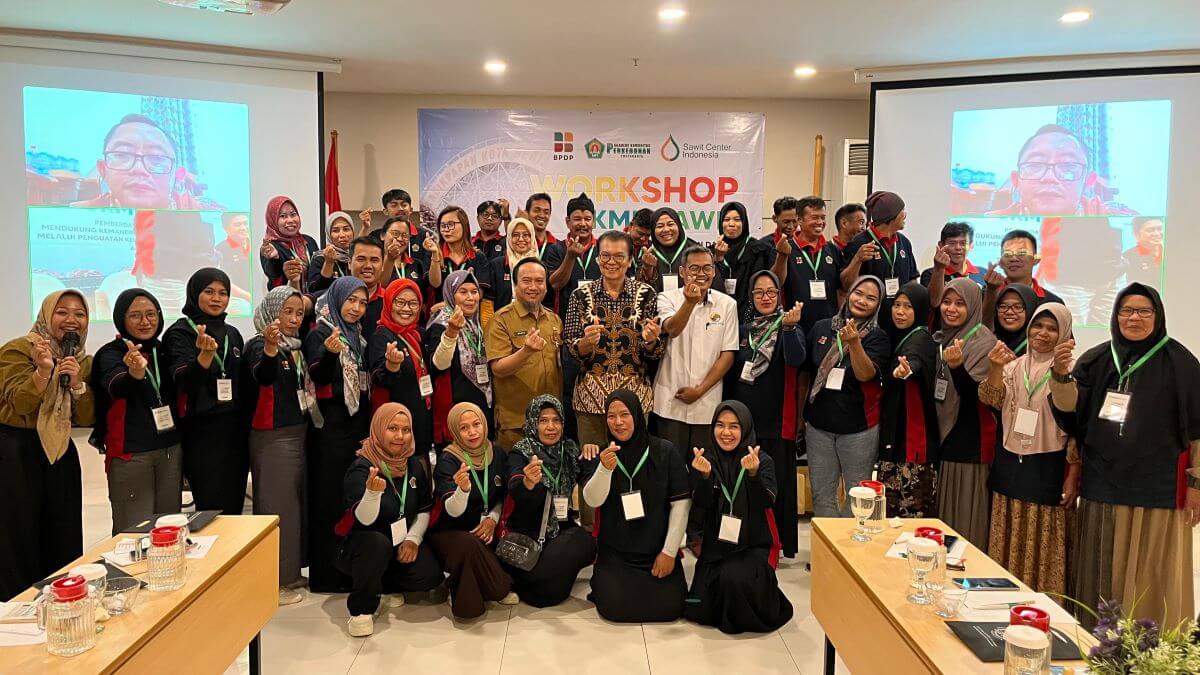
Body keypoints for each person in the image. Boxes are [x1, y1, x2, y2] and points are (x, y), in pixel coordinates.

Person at [1054, 284, 1200, 628]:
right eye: (1127, 310)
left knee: (1151, 574)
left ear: (1157, 316)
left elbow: (1198, 433)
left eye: (1143, 311)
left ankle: (1149, 644)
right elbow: (1071, 415)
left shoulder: (1181, 363)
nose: (1134, 318)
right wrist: (1060, 376)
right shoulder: (1096, 360)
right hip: (1102, 483)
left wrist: (1196, 484)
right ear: (1116, 315)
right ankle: (1097, 641)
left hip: (1158, 488)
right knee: (1102, 572)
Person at [564, 231, 666, 528]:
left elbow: (655, 350)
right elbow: (570, 347)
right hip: (590, 401)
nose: (612, 262)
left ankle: (633, 530)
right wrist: (586, 343)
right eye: (606, 256)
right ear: (597, 259)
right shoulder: (580, 295)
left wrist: (650, 340)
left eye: (619, 256)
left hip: (635, 400)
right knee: (592, 468)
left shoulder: (646, 294)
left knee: (634, 466)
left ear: (630, 260)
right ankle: (590, 534)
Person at [979, 303, 1079, 594]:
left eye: (1052, 328)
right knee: (1006, 542)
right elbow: (991, 398)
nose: (1043, 333)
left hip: (1048, 468)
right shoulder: (1013, 366)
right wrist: (995, 368)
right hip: (1010, 465)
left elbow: (1076, 427)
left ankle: (1040, 608)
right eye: (1038, 326)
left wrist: (1074, 474)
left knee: (1042, 548)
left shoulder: (1071, 371)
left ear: (1065, 334)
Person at [0, 290, 95, 599]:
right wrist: (42, 373)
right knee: (18, 534)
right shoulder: (17, 350)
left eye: (79, 314)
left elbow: (87, 417)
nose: (71, 320)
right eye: (62, 312)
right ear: (46, 315)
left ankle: (63, 598)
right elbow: (20, 404)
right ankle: (19, 604)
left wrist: (78, 384)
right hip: (16, 450)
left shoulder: (82, 360)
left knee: (63, 530)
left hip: (59, 449)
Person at [335, 403, 444, 637]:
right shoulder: (362, 468)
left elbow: (424, 508)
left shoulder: (413, 465)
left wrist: (413, 539)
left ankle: (385, 585)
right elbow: (363, 519)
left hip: (398, 541)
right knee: (377, 544)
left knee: (429, 575)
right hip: (362, 546)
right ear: (378, 429)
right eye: (392, 428)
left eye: (406, 430)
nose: (400, 436)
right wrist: (372, 494)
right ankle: (361, 610)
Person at [653, 245, 738, 544]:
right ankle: (669, 535)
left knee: (702, 472)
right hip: (669, 402)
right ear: (682, 271)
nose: (701, 274)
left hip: (707, 403)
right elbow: (671, 329)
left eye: (707, 268)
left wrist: (700, 390)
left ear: (714, 271)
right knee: (670, 470)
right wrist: (689, 303)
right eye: (694, 269)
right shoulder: (667, 298)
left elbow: (728, 354)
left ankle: (697, 532)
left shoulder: (727, 304)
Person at [582, 390, 691, 623]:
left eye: (625, 414)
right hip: (616, 554)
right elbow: (592, 500)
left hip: (656, 551)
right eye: (611, 416)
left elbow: (681, 504)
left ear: (637, 416)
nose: (618, 422)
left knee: (672, 606)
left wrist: (669, 552)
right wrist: (604, 469)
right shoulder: (601, 453)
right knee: (615, 607)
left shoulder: (665, 451)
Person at [685, 401, 793, 633]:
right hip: (717, 547)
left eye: (734, 426)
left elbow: (766, 502)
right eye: (720, 425)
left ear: (745, 428)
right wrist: (704, 478)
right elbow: (702, 506)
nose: (726, 432)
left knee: (732, 579)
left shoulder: (762, 460)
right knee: (697, 609)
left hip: (752, 545)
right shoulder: (706, 460)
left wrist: (753, 475)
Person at [724, 271, 805, 556]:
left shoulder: (790, 326)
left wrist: (790, 330)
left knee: (777, 486)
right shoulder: (742, 330)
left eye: (771, 291)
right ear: (751, 296)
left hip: (777, 422)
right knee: (745, 484)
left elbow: (796, 359)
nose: (765, 297)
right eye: (759, 292)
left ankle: (778, 544)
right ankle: (747, 541)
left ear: (780, 295)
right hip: (745, 424)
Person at [244, 286, 313, 604]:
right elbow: (263, 376)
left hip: (297, 432)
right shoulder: (260, 345)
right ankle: (276, 581)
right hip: (273, 435)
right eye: (287, 311)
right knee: (277, 507)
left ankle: (290, 572)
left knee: (293, 506)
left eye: (299, 313)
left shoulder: (294, 347)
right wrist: (271, 349)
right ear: (272, 311)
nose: (294, 319)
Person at [91, 289, 180, 535]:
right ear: (121, 319)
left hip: (170, 449)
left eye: (151, 314)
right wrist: (134, 373)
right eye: (135, 315)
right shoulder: (111, 354)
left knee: (168, 528)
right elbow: (116, 386)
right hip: (131, 453)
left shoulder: (163, 351)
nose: (145, 321)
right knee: (134, 531)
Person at [305, 275, 372, 593]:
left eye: (362, 303)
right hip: (329, 428)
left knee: (349, 498)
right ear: (336, 300)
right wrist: (330, 353)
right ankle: (326, 575)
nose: (356, 308)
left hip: (352, 426)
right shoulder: (321, 332)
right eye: (351, 300)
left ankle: (347, 568)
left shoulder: (357, 335)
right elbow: (317, 375)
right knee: (329, 500)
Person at [163, 268, 248, 516]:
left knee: (234, 504)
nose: (216, 299)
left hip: (234, 431)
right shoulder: (181, 333)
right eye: (209, 292)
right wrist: (204, 357)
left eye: (223, 293)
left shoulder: (232, 333)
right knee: (211, 508)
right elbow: (183, 382)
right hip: (201, 432)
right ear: (194, 293)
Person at [804, 276, 889, 517]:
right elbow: (806, 375)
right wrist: (802, 416)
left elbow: (866, 375)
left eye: (871, 298)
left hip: (858, 429)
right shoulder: (822, 328)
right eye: (858, 293)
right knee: (822, 495)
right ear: (848, 294)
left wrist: (854, 343)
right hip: (819, 427)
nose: (862, 301)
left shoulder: (878, 337)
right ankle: (827, 543)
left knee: (857, 497)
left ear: (878, 304)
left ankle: (852, 542)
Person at [502, 396, 597, 607]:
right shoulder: (521, 452)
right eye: (543, 420)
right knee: (551, 592)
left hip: (560, 529)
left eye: (556, 420)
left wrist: (592, 454)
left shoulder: (569, 449)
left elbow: (591, 482)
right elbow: (514, 486)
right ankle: (540, 579)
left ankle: (538, 579)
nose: (551, 427)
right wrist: (527, 482)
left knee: (586, 542)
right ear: (533, 423)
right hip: (528, 533)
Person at [429, 402, 517, 619]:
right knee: (474, 554)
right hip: (453, 532)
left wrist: (492, 520)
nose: (472, 432)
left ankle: (459, 584)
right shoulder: (448, 460)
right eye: (464, 428)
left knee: (493, 571)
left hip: (485, 531)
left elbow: (502, 497)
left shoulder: (497, 453)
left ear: (484, 424)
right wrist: (463, 490)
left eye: (476, 424)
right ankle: (473, 591)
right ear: (454, 431)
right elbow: (452, 511)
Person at [932, 278, 999, 550]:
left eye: (960, 304)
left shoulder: (985, 342)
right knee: (946, 518)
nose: (951, 309)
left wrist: (958, 367)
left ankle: (967, 568)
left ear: (973, 306)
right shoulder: (944, 337)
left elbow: (979, 397)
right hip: (946, 437)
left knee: (965, 519)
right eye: (946, 302)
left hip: (970, 440)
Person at [877, 282, 941, 518]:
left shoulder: (920, 339)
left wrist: (907, 370)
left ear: (920, 309)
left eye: (908, 307)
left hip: (913, 447)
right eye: (897, 305)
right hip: (899, 439)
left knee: (908, 517)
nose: (900, 312)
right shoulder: (902, 336)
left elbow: (915, 360)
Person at [486, 259, 562, 449]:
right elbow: (498, 369)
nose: (533, 287)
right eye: (526, 281)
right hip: (516, 423)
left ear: (546, 286)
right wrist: (526, 351)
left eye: (539, 281)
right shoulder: (500, 320)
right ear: (515, 285)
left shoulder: (554, 320)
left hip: (551, 423)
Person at [986, 124, 1137, 217]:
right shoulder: (990, 226)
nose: (1049, 177)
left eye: (1068, 166)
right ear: (1016, 180)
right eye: (1035, 165)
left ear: (1088, 181)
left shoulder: (1115, 220)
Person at [70, 113, 202, 209]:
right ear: (103, 169)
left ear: (176, 175)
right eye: (123, 154)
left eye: (157, 157)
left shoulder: (202, 214)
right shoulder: (80, 216)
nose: (139, 169)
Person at [368, 279, 434, 461]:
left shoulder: (419, 334)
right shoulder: (382, 336)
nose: (406, 308)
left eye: (413, 303)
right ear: (389, 303)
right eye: (400, 302)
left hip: (421, 422)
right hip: (396, 431)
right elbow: (379, 379)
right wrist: (392, 365)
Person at [427, 271, 494, 443]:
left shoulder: (478, 324)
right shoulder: (441, 323)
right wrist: (451, 333)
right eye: (463, 292)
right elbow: (438, 365)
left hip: (480, 405)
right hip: (455, 409)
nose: (470, 297)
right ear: (451, 294)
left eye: (474, 291)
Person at [771, 196, 840, 333]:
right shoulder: (786, 248)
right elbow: (775, 283)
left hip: (828, 326)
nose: (820, 222)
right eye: (814, 217)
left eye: (823, 217)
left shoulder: (832, 250)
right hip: (795, 326)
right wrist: (782, 256)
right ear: (799, 220)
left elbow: (841, 289)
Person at [840, 191, 918, 299]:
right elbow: (846, 286)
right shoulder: (858, 243)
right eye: (902, 210)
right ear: (891, 216)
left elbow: (912, 279)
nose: (905, 215)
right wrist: (857, 260)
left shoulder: (904, 242)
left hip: (899, 308)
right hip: (871, 308)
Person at [432, 206, 494, 316]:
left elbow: (479, 293)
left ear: (464, 225)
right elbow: (435, 284)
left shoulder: (478, 257)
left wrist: (450, 306)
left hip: (469, 317)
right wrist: (435, 255)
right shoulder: (435, 253)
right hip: (441, 316)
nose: (446, 229)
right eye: (443, 225)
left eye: (451, 224)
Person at [708, 201, 772, 306]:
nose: (731, 224)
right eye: (726, 220)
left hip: (750, 309)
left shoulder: (759, 249)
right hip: (720, 308)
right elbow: (712, 286)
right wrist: (718, 258)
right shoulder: (711, 251)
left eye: (737, 220)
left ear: (744, 223)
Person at [260, 195, 319, 291]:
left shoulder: (308, 241)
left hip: (313, 298)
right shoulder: (270, 247)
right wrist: (274, 259)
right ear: (273, 220)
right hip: (287, 299)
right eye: (283, 216)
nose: (290, 220)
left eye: (293, 214)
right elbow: (273, 278)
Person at [489, 217, 538, 310]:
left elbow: (547, 301)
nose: (521, 239)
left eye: (526, 235)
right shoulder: (497, 265)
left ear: (532, 237)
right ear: (509, 238)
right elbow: (488, 301)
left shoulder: (539, 266)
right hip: (501, 318)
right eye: (515, 235)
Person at [380, 216, 438, 291]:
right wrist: (390, 259)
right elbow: (379, 286)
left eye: (405, 235)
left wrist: (435, 253)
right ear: (382, 235)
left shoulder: (417, 264)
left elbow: (435, 284)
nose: (400, 239)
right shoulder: (375, 261)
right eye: (395, 233)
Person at [921, 222, 986, 287]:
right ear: (941, 245)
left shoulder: (983, 273)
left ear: (971, 245)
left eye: (963, 243)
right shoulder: (930, 274)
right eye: (952, 243)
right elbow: (933, 294)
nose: (958, 248)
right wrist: (939, 270)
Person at [348, 236, 387, 339]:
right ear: (349, 263)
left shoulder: (390, 302)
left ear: (383, 265)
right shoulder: (335, 297)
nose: (368, 266)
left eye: (374, 260)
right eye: (361, 259)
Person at [308, 210, 356, 295]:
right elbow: (314, 290)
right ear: (329, 234)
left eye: (346, 229)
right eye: (336, 231)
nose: (342, 235)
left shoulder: (357, 257)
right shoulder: (320, 257)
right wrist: (328, 263)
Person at [990, 284, 1039, 355]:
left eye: (1018, 307)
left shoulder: (1038, 348)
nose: (1009, 312)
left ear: (1030, 310)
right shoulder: (988, 342)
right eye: (1003, 306)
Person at [215, 212, 253, 298]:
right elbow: (221, 281)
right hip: (236, 298)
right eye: (238, 225)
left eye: (245, 223)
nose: (243, 228)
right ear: (226, 229)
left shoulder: (257, 244)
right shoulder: (220, 250)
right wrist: (248, 296)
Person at [1122, 217, 1164, 288]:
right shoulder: (1128, 256)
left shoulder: (1171, 253)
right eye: (1150, 230)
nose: (1156, 233)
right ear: (1136, 234)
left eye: (1159, 229)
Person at [525, 192, 558, 259]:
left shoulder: (557, 246)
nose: (542, 215)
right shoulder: (519, 242)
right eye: (537, 210)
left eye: (546, 212)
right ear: (527, 213)